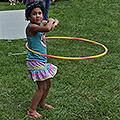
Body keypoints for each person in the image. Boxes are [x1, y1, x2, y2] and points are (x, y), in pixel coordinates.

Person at [25, 1, 59, 118]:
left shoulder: (39, 24)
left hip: (42, 60)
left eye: (40, 13)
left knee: (48, 83)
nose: (38, 16)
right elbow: (48, 28)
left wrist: (53, 22)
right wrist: (50, 22)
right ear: (28, 16)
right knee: (42, 87)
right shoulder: (32, 27)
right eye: (34, 14)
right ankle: (32, 110)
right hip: (35, 62)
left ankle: (42, 103)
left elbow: (55, 22)